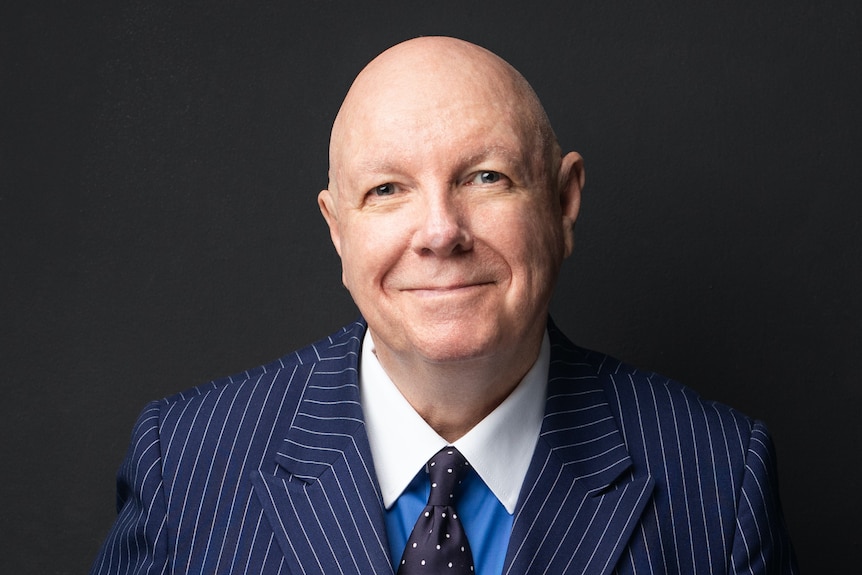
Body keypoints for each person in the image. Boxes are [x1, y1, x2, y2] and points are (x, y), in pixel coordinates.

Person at [90, 36, 797, 574]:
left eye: (486, 177)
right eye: (387, 190)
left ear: (563, 201)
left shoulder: (719, 472)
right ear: (338, 230)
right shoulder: (183, 463)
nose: (439, 232)